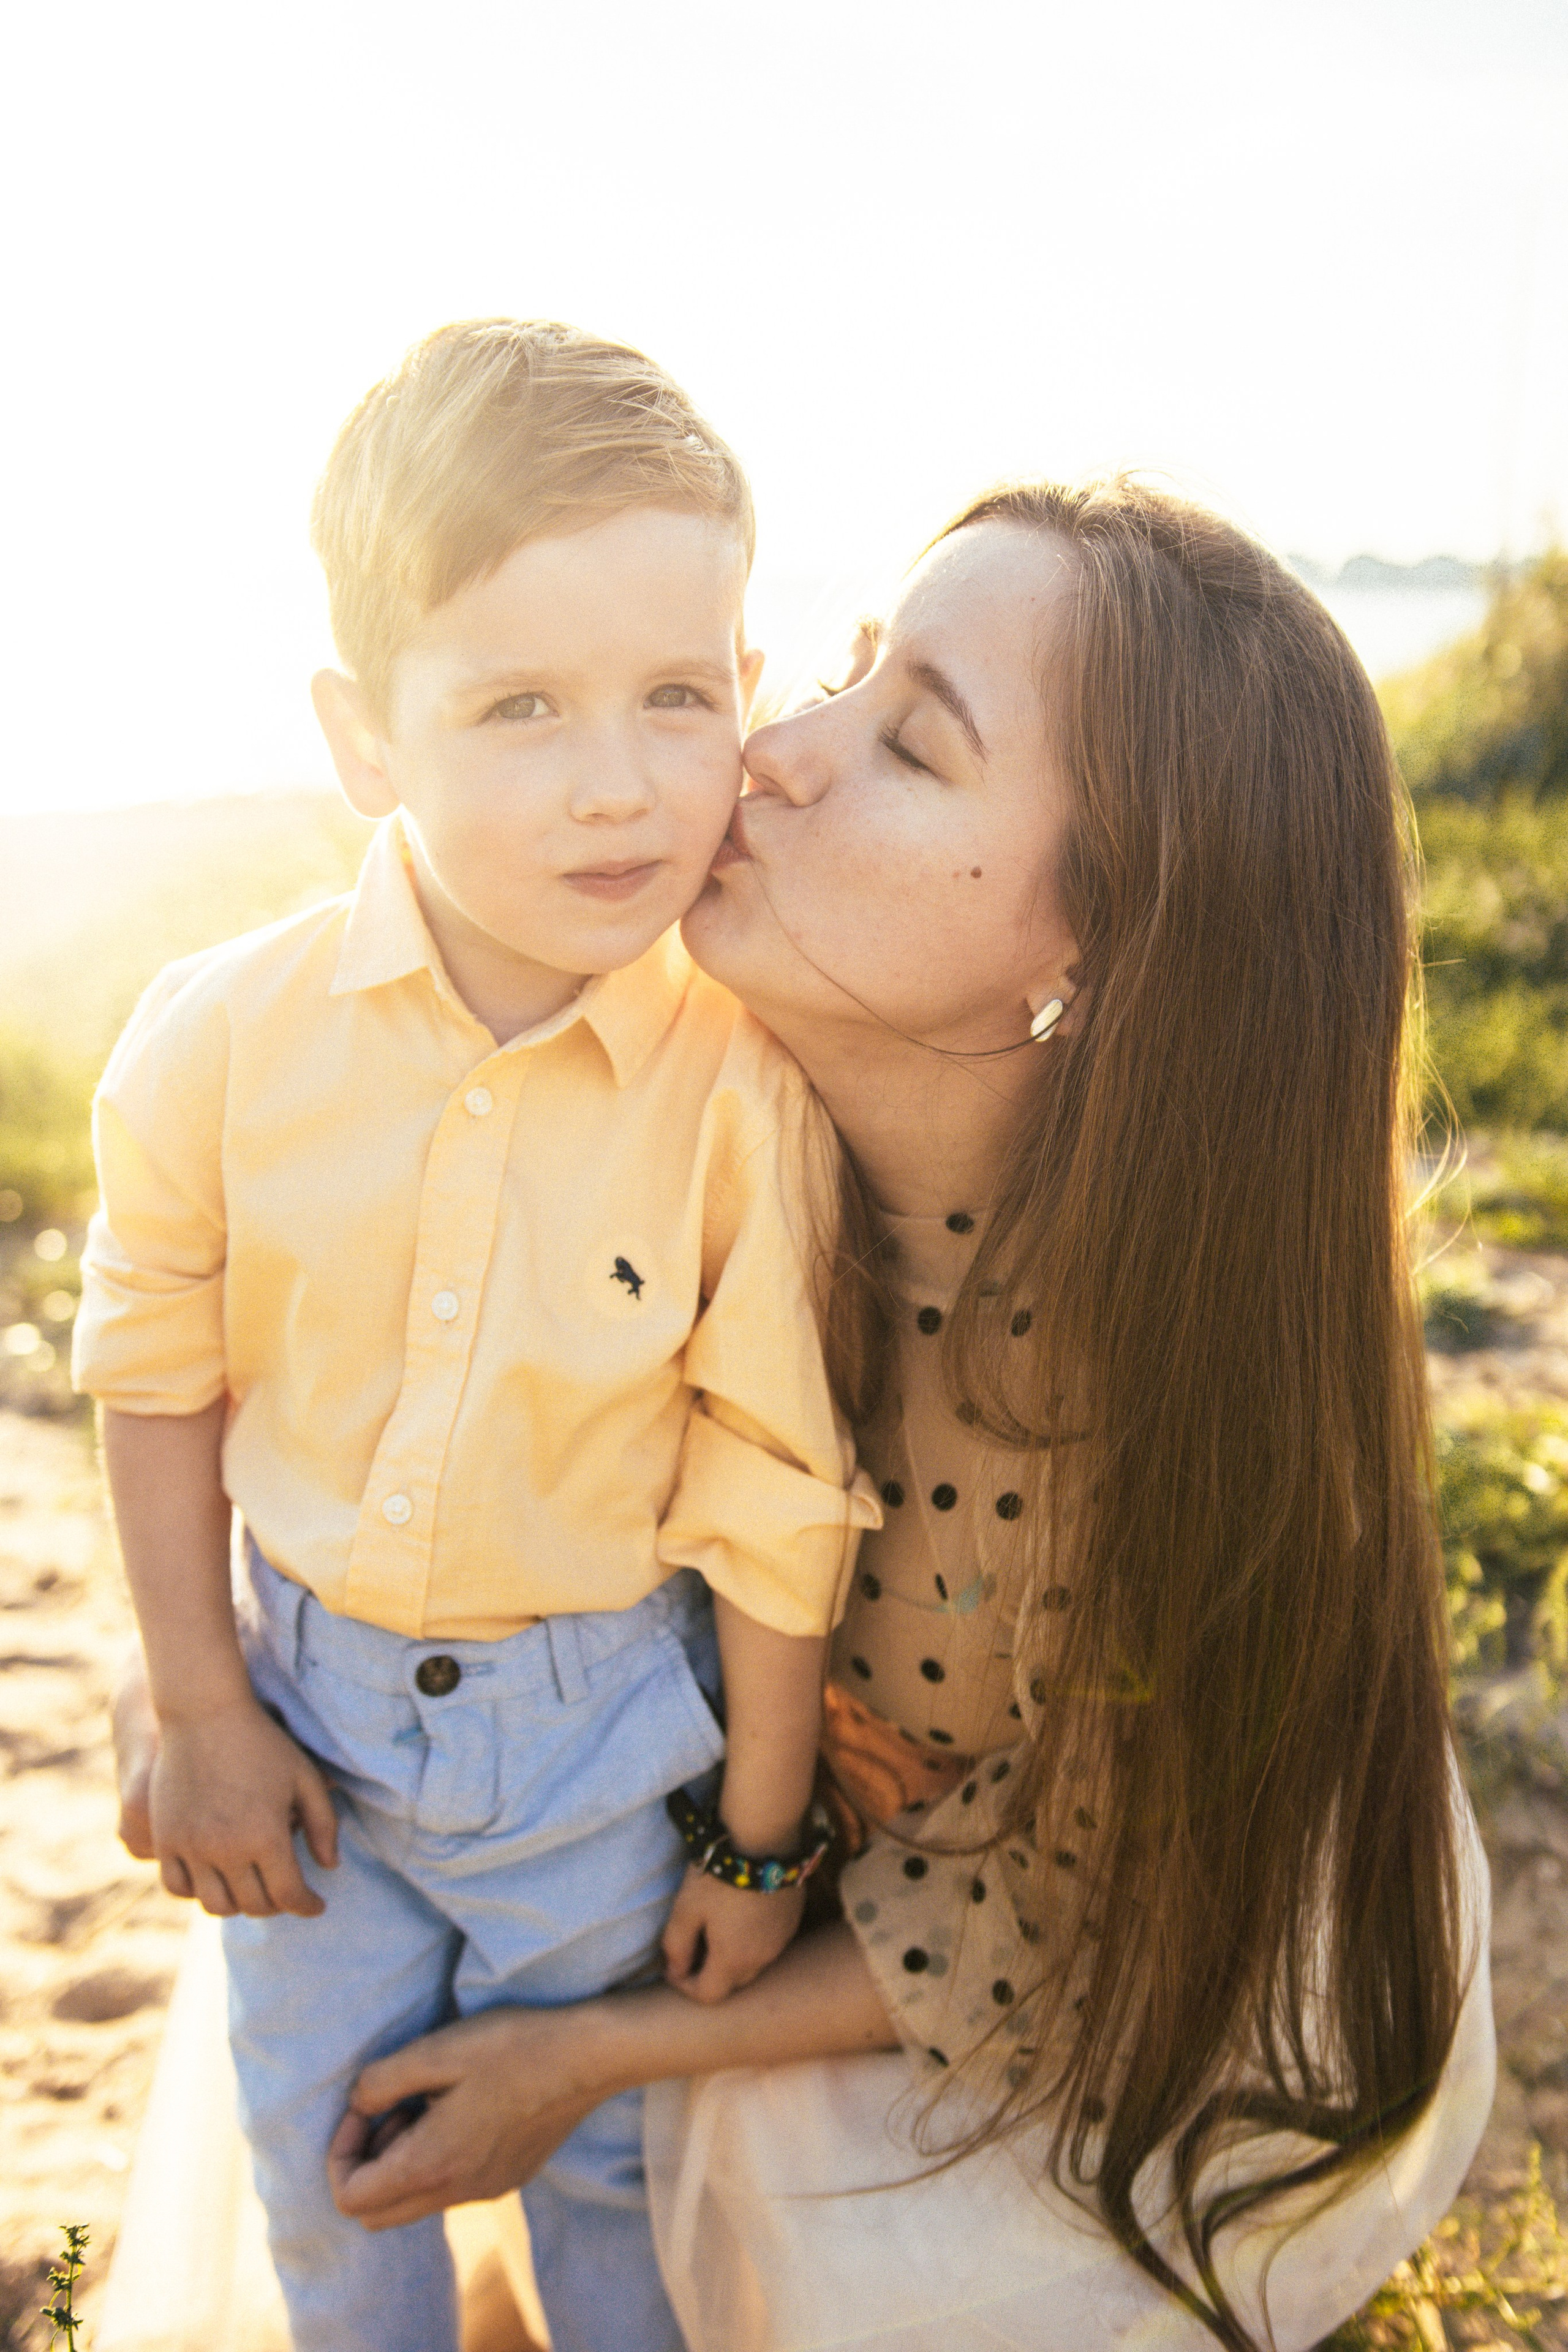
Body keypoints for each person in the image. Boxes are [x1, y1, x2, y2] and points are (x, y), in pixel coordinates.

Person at [313, 477, 1496, 2350]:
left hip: (1075, 1955)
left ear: (1090, 958)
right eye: (844, 676)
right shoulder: (669, 1104)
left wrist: (589, 2049)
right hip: (739, 1846)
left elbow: (1053, 1933)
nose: (770, 752)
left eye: (910, 743)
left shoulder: (1165, 1443)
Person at [73, 318, 878, 2352]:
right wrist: (199, 1704)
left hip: (613, 1750)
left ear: (748, 696)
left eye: (676, 698)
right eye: (518, 704)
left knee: (621, 2184)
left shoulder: (741, 1090)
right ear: (369, 739)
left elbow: (775, 1481)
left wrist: (758, 1837)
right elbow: (153, 1364)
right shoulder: (220, 1039)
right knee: (329, 2165)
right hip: (310, 1720)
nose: (618, 784)